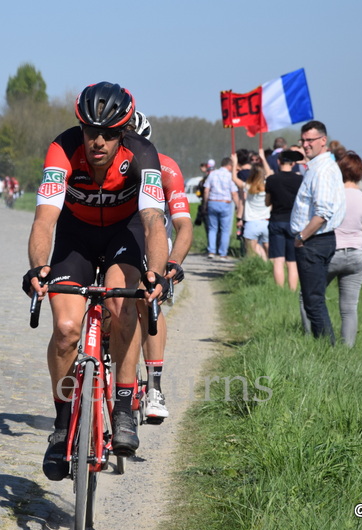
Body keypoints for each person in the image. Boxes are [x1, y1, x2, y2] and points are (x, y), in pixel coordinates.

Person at [23, 82, 168, 481]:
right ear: (80, 130)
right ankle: (61, 422)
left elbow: (155, 222)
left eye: (108, 133)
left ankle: (123, 409)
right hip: (76, 237)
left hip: (125, 232)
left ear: (123, 133)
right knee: (67, 329)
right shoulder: (62, 149)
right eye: (90, 132)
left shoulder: (142, 154)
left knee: (123, 308)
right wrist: (38, 267)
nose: (98, 141)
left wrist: (155, 274)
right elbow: (45, 219)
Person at [125, 111, 192, 422]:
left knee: (146, 299)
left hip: (153, 244)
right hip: (115, 240)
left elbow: (183, 225)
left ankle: (154, 387)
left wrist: (173, 262)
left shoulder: (165, 167)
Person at [303, 152, 362, 347]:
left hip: (330, 253)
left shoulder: (333, 195)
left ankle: (312, 340)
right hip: (356, 255)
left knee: (309, 297)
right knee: (349, 308)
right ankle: (346, 351)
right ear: (360, 173)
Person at [290, 120, 346, 345]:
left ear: (323, 141)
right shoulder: (321, 167)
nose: (305, 145)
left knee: (313, 301)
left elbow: (322, 212)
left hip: (314, 240)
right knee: (315, 299)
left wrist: (302, 237)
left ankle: (326, 348)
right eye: (302, 140)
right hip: (319, 239)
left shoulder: (321, 171)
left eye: (310, 140)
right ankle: (324, 347)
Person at [265, 149, 304, 289]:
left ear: (278, 162)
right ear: (293, 163)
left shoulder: (271, 179)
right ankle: (292, 291)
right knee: (292, 262)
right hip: (294, 222)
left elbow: (267, 202)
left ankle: (279, 291)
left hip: (276, 220)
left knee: (278, 261)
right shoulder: (300, 180)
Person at [202, 156, 239, 260]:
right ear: (229, 165)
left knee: (212, 228)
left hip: (212, 202)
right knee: (225, 230)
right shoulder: (230, 176)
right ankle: (223, 253)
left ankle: (211, 251)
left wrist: (205, 203)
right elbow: (234, 193)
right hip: (225, 203)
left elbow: (206, 190)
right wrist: (238, 206)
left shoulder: (212, 174)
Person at [236, 153, 271, 260]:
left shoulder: (248, 187)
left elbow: (233, 178)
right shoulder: (268, 185)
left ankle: (260, 264)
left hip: (251, 222)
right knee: (268, 249)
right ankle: (269, 266)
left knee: (252, 250)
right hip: (266, 222)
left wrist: (234, 163)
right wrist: (263, 158)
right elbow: (269, 173)